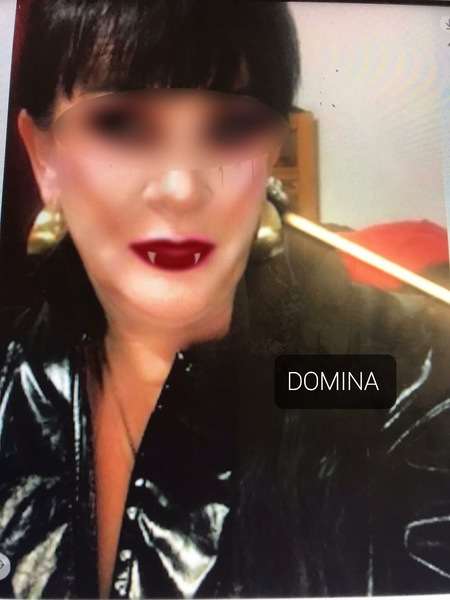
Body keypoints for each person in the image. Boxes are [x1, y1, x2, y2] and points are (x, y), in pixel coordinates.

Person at [1, 1, 450, 598]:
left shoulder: (404, 380)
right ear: (45, 157)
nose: (182, 189)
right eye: (122, 125)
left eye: (228, 128)